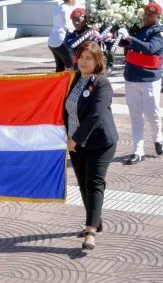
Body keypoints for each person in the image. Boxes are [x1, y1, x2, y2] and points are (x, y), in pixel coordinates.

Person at [64, 41, 118, 250]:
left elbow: (95, 115)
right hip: (76, 143)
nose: (84, 62)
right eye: (82, 57)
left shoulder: (102, 84)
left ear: (97, 62)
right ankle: (97, 220)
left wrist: (75, 138)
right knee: (83, 184)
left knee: (94, 183)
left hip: (100, 142)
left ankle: (90, 231)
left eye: (89, 58)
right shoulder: (74, 80)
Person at [119, 2, 163, 165]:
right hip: (132, 76)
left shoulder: (160, 33)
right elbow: (124, 43)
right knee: (135, 116)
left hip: (149, 78)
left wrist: (129, 38)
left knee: (152, 113)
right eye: (146, 14)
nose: (147, 17)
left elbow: (150, 48)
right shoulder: (138, 29)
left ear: (157, 17)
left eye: (151, 15)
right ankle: (138, 150)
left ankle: (158, 137)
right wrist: (119, 31)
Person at [48, 0, 76, 72]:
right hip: (61, 41)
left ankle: (58, 80)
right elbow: (67, 25)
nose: (75, 1)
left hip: (52, 41)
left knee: (60, 68)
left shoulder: (57, 7)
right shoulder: (66, 9)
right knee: (72, 67)